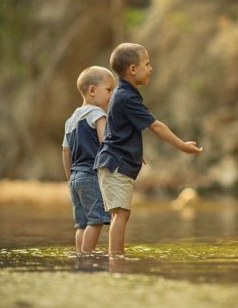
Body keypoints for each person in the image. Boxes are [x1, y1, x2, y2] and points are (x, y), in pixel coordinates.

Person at [95, 43, 202, 257]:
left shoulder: (122, 94)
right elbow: (156, 126)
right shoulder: (127, 97)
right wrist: (182, 145)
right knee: (121, 215)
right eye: (147, 64)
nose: (151, 68)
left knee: (120, 214)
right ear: (133, 69)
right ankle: (116, 260)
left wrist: (134, 153)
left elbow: (117, 132)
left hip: (113, 162)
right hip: (115, 165)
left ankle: (115, 258)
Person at [62, 65, 116, 253]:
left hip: (75, 177)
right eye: (109, 89)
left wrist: (70, 178)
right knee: (97, 220)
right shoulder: (98, 115)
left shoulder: (70, 120)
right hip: (91, 176)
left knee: (81, 224)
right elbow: (105, 143)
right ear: (92, 90)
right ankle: (86, 257)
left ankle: (80, 255)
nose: (111, 95)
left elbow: (65, 151)